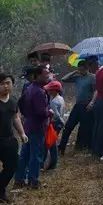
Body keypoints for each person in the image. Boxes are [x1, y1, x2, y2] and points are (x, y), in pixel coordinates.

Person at [14, 65, 49, 189]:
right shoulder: (39, 91)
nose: (48, 76)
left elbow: (20, 103)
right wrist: (49, 112)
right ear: (38, 75)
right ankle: (33, 181)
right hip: (37, 127)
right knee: (36, 155)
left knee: (25, 153)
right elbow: (41, 112)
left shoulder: (29, 88)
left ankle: (19, 179)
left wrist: (26, 115)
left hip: (28, 125)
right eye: (45, 74)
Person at [58, 60, 95, 153]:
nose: (81, 71)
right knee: (68, 126)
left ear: (87, 69)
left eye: (83, 70)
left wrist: (92, 102)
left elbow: (96, 91)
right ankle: (61, 147)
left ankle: (82, 146)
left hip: (86, 105)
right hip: (78, 105)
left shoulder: (92, 77)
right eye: (80, 69)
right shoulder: (77, 77)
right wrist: (74, 72)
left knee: (85, 127)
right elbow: (64, 79)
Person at [0, 73, 25, 203]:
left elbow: (15, 117)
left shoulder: (13, 100)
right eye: (2, 83)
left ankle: (1, 189)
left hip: (9, 140)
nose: (5, 86)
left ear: (12, 84)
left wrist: (22, 133)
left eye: (8, 83)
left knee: (12, 166)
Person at [43, 81, 64, 170]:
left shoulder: (54, 101)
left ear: (55, 90)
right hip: (58, 123)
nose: (48, 91)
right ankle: (52, 164)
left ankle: (52, 164)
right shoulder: (61, 98)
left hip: (54, 123)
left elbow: (56, 115)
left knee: (50, 144)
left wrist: (62, 122)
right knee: (52, 143)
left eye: (50, 90)